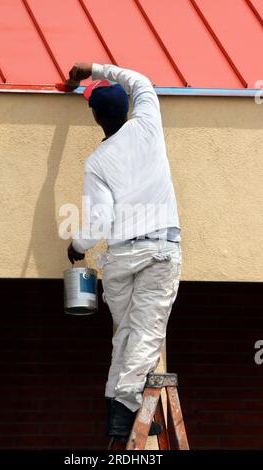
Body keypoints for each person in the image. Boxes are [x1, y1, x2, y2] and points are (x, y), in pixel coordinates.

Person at [66, 62, 182, 447]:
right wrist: (94, 68)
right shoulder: (147, 124)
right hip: (159, 251)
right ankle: (126, 408)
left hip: (118, 259)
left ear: (97, 117)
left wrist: (77, 246)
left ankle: (116, 403)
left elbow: (100, 219)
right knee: (146, 334)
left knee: (127, 334)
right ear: (127, 108)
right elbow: (141, 80)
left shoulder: (97, 161)